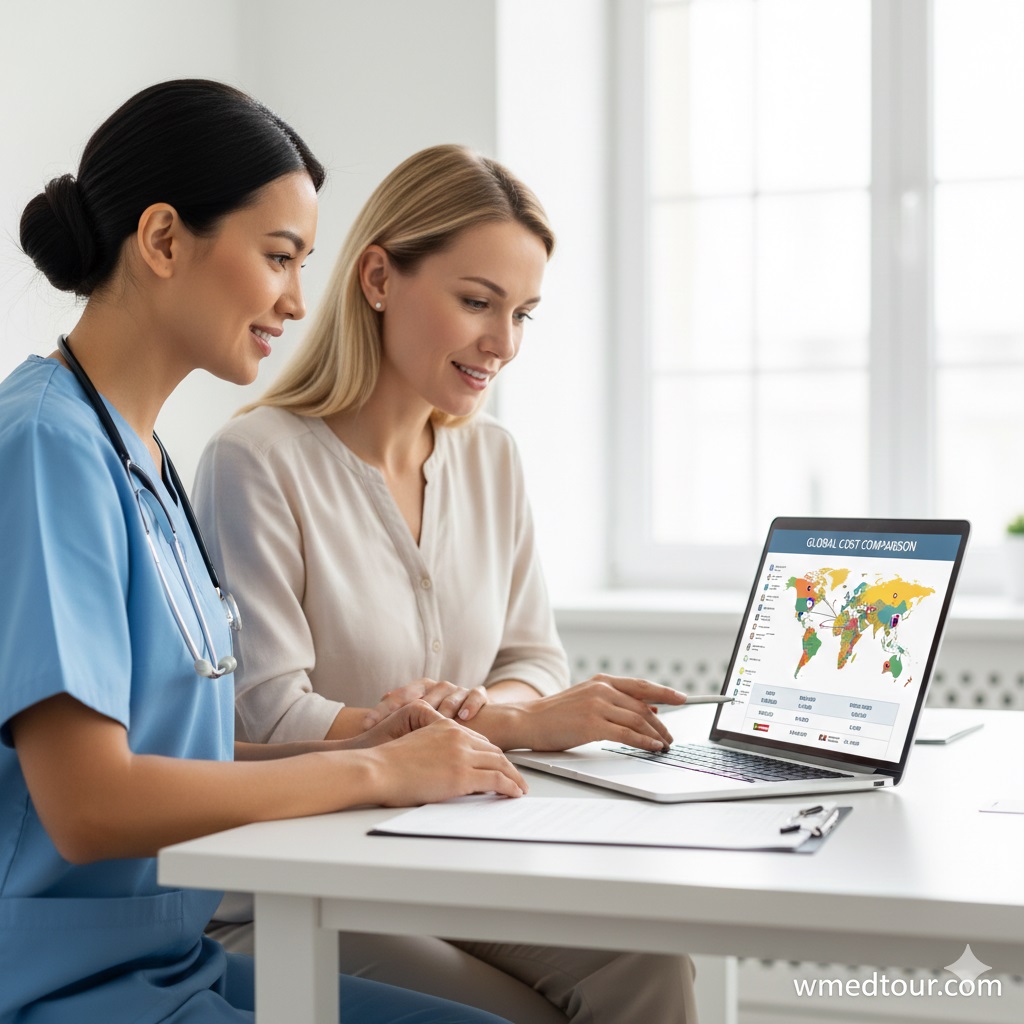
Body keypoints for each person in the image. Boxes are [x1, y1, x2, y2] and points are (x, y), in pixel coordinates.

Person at [0, 81, 529, 1024]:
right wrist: (376, 774)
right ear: (162, 240)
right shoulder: (47, 444)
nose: (295, 298)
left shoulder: (145, 458)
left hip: (167, 955)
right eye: (279, 257)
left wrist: (370, 737)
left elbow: (171, 754)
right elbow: (87, 805)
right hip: (60, 982)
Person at [194, 144, 699, 1023]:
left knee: (648, 960)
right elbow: (268, 714)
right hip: (305, 877)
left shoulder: (492, 457)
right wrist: (505, 721)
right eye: (477, 302)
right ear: (380, 277)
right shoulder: (257, 461)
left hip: (462, 846)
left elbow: (533, 653)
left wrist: (485, 704)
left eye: (524, 314)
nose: (502, 344)